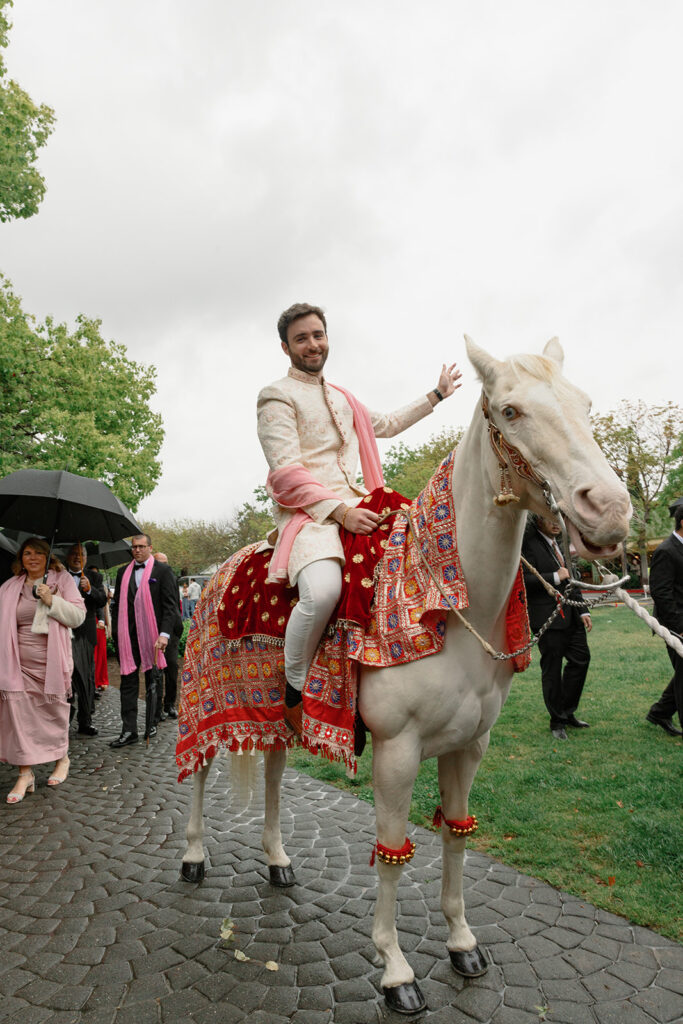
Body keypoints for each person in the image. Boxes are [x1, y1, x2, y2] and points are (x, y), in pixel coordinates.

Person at [257, 301, 462, 735]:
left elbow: (384, 424)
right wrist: (341, 512)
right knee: (324, 592)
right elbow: (286, 471)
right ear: (285, 347)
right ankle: (294, 690)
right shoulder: (276, 395)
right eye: (301, 338)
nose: (312, 344)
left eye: (318, 334)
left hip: (360, 502)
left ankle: (379, 692)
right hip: (310, 515)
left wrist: (437, 395)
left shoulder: (342, 397)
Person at [0, 538, 85, 802]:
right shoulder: (9, 587)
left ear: (48, 556)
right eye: (27, 553)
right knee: (17, 715)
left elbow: (78, 617)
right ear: (20, 558)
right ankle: (25, 774)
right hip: (16, 663)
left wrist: (52, 600)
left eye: (38, 553)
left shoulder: (61, 581)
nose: (33, 557)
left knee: (53, 711)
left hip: (51, 662)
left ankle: (62, 757)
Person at [522, 514, 592, 740]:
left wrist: (583, 609)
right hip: (547, 618)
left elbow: (572, 578)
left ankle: (568, 711)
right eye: (549, 518)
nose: (555, 522)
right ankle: (557, 721)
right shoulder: (527, 544)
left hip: (571, 615)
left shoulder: (560, 543)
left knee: (581, 659)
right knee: (552, 669)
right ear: (537, 519)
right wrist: (554, 576)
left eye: (558, 518)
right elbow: (521, 580)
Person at [110, 534, 179, 747]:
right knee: (128, 683)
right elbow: (118, 604)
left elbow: (170, 606)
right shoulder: (123, 572)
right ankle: (128, 730)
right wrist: (116, 632)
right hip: (127, 636)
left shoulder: (163, 571)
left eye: (141, 546)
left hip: (153, 636)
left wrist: (164, 634)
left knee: (153, 681)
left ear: (150, 547)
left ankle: (151, 723)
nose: (137, 550)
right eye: (134, 547)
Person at [645, 503, 683, 737]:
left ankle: (660, 712)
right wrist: (679, 629)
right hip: (676, 625)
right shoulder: (665, 551)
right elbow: (661, 593)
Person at [65, 543, 107, 736]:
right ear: (67, 557)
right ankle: (63, 719)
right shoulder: (58, 575)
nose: (76, 557)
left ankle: (85, 720)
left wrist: (90, 589)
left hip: (85, 633)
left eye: (80, 554)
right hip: (62, 631)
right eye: (73, 554)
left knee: (86, 677)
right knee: (65, 677)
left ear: (86, 558)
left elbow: (102, 600)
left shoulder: (95, 577)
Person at [153, 552, 182, 719]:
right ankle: (156, 708)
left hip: (172, 631)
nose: (165, 567)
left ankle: (169, 703)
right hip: (154, 629)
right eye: (160, 563)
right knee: (155, 669)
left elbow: (174, 606)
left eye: (166, 563)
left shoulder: (171, 579)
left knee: (171, 667)